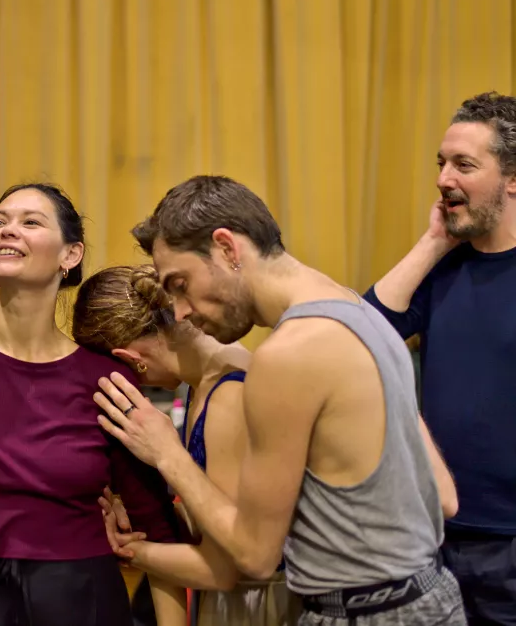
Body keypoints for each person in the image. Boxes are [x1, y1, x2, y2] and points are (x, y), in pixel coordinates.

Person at [93, 175, 464, 625]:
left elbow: (253, 556)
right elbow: (443, 498)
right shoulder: (359, 312)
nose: (182, 312)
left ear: (227, 248)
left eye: (181, 284)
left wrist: (168, 455)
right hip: (433, 598)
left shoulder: (287, 355)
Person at [0, 184, 187, 626]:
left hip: (88, 602)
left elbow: (156, 528)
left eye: (30, 222)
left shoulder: (106, 380)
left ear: (71, 254)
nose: (8, 231)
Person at [72, 264, 300, 625]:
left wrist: (133, 551)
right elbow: (218, 515)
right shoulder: (207, 377)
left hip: (255, 606)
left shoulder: (228, 397)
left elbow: (225, 567)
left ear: (130, 361)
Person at [364, 91, 516, 624]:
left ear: (513, 179)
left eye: (464, 165)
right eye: (441, 163)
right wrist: (432, 243)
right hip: (434, 536)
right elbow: (359, 340)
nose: (443, 178)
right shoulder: (442, 270)